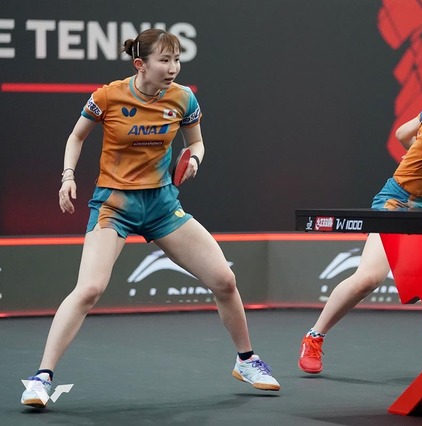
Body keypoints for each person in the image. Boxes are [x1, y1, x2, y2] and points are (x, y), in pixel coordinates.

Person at [21, 28, 280, 408]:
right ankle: (41, 377)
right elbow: (76, 137)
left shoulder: (183, 98)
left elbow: (196, 142)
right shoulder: (107, 96)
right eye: (164, 60)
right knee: (89, 289)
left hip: (161, 205)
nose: (173, 68)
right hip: (115, 204)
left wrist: (194, 159)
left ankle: (247, 361)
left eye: (177, 60)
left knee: (225, 279)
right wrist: (68, 177)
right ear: (140, 64)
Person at [298, 71, 422, 375]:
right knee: (368, 279)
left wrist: (417, 150)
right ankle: (314, 337)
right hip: (397, 205)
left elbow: (402, 134)